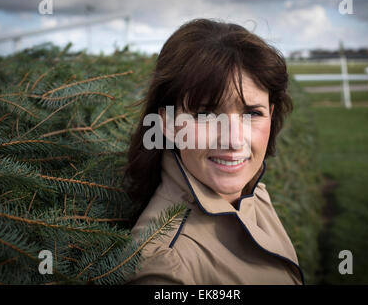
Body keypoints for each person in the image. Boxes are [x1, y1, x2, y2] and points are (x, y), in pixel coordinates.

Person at [124, 18, 304, 285]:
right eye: (206, 114)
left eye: (252, 113)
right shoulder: (164, 269)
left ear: (272, 115)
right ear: (169, 124)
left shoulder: (250, 191)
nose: (233, 140)